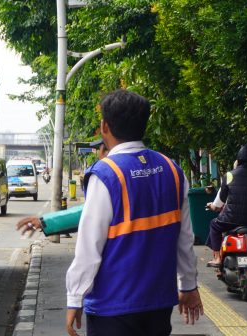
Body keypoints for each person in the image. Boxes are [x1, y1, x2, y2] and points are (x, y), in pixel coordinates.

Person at [64, 89, 201, 336]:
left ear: (105, 126)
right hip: (158, 303)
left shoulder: (106, 174)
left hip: (113, 305)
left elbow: (89, 246)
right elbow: (185, 238)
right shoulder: (172, 170)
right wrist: (189, 285)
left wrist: (75, 297)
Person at [16, 138, 106, 237]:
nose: (99, 155)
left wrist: (44, 222)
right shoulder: (118, 171)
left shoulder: (104, 173)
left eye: (100, 149)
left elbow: (90, 212)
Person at [205, 145, 247, 267]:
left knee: (214, 225)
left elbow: (219, 202)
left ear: (238, 160)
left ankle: (217, 258)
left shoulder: (230, 175)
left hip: (231, 220)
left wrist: (213, 207)